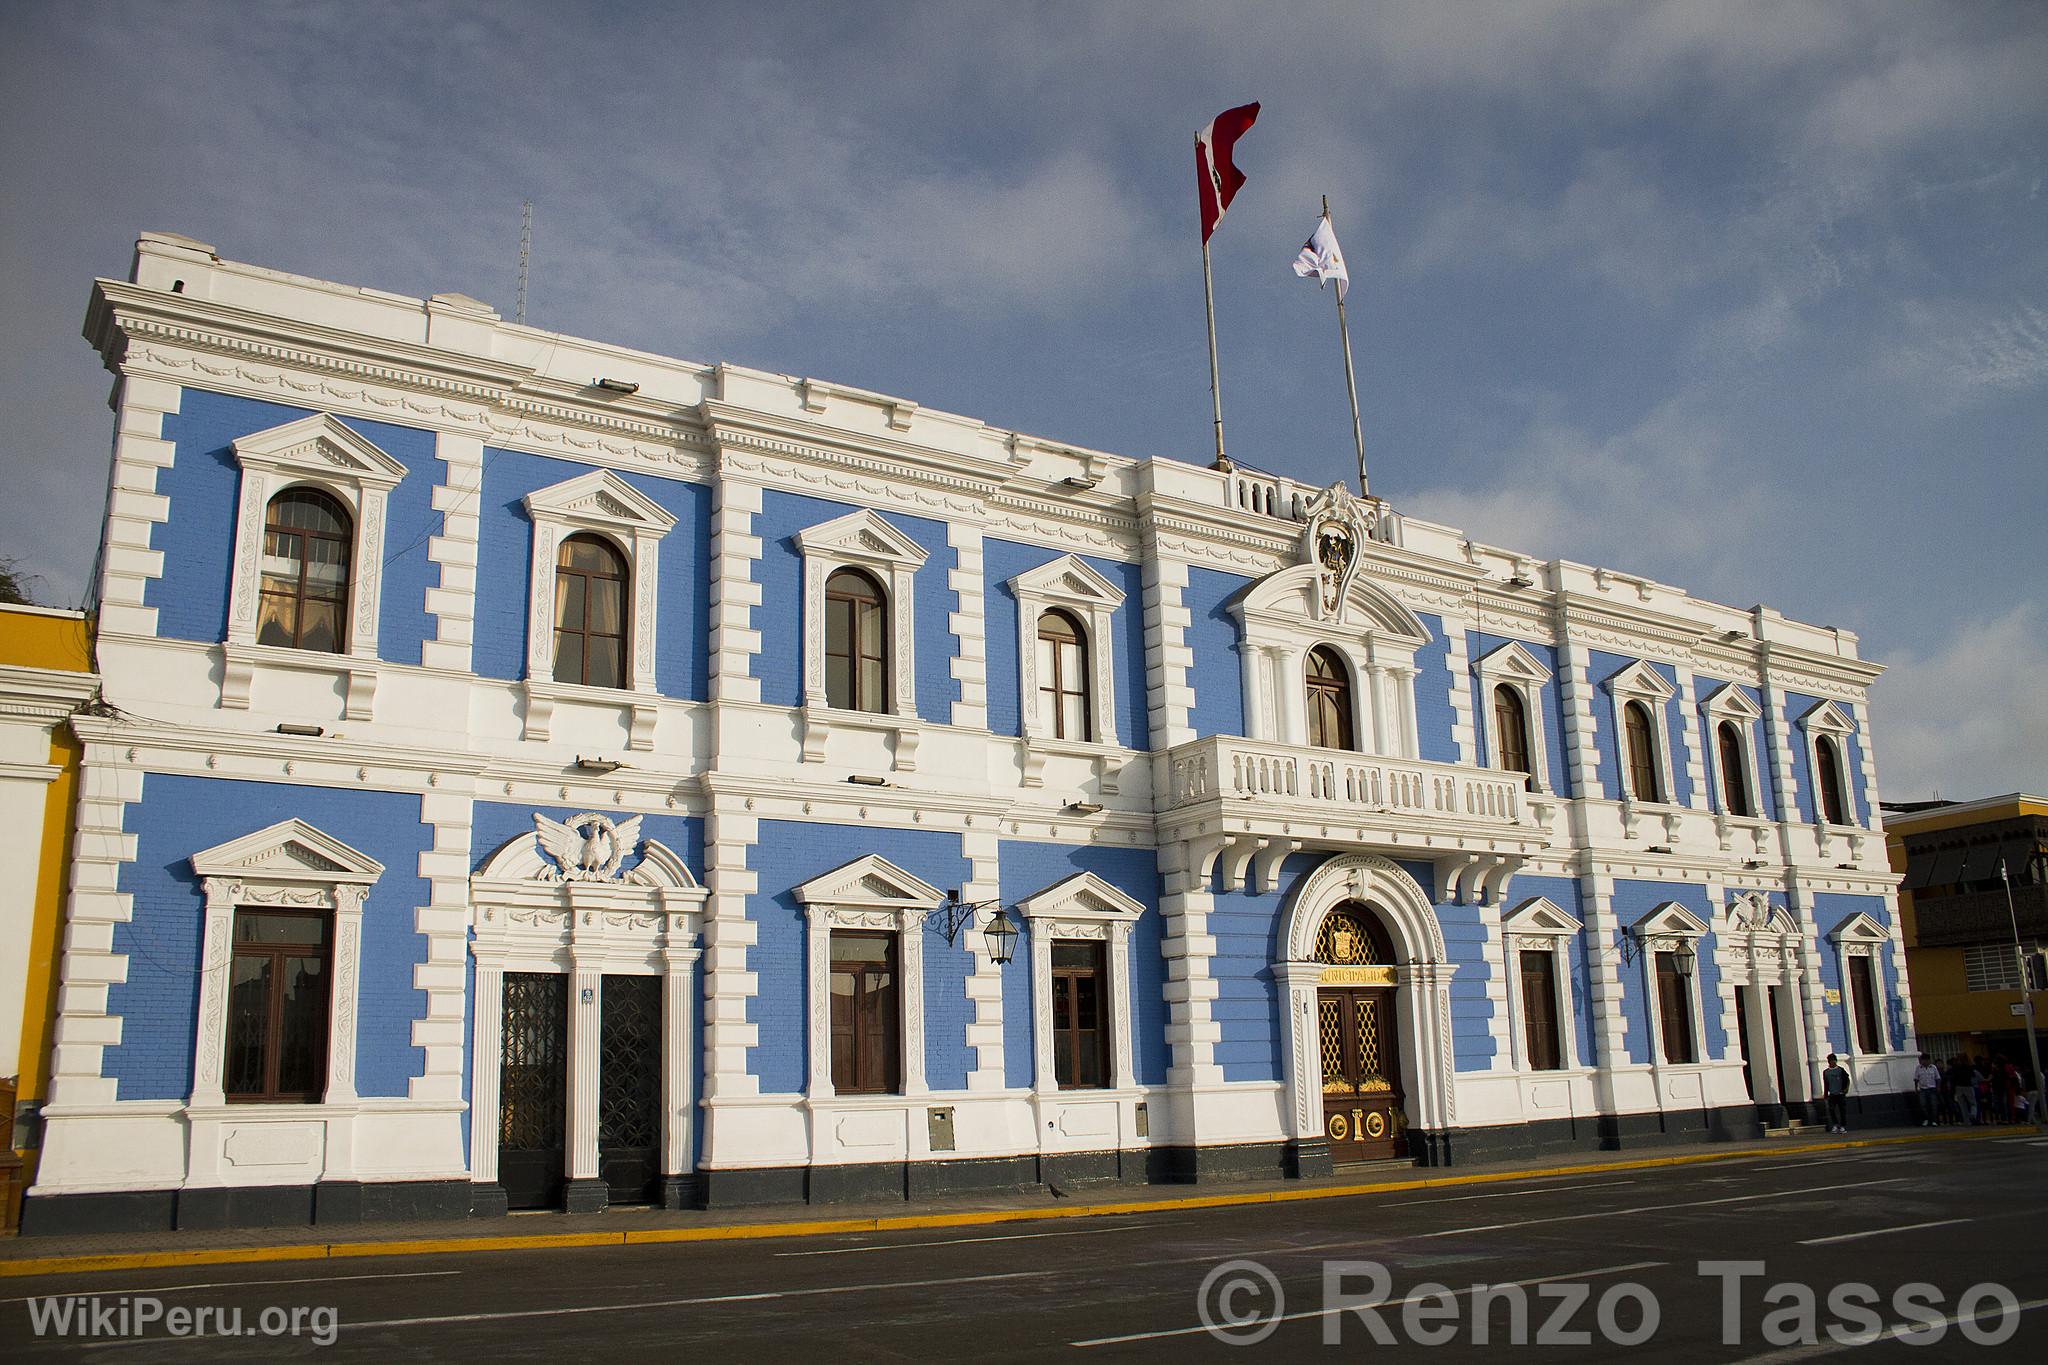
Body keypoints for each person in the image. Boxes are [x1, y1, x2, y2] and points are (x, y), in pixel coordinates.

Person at [1822, 1052, 1851, 1133]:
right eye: (1831, 1061)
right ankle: (1835, 1124)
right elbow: (1826, 1083)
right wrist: (1825, 1094)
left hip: (1840, 1094)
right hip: (1832, 1094)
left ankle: (1842, 1126)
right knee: (1831, 1109)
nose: (1832, 1062)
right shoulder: (1826, 1072)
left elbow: (1847, 1079)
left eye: (1834, 1060)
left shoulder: (1840, 1070)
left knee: (1842, 1110)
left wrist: (1846, 1089)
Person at [1913, 1052, 1941, 1126]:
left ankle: (1934, 1120)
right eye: (1922, 1060)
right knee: (1923, 1105)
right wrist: (1916, 1088)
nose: (1923, 1062)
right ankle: (1926, 1119)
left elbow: (1937, 1078)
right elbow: (1916, 1079)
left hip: (1932, 1088)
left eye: (1924, 1060)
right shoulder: (1918, 1068)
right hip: (1923, 1089)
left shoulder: (1933, 1067)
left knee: (1933, 1105)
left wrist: (1938, 1087)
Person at [1949, 1055, 1978, 1126]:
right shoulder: (1969, 1067)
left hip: (1958, 1087)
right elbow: (1973, 1076)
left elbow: (1953, 1078)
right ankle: (1973, 1115)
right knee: (1973, 1104)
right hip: (1968, 1086)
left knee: (1962, 1106)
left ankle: (1966, 1122)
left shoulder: (1956, 1068)